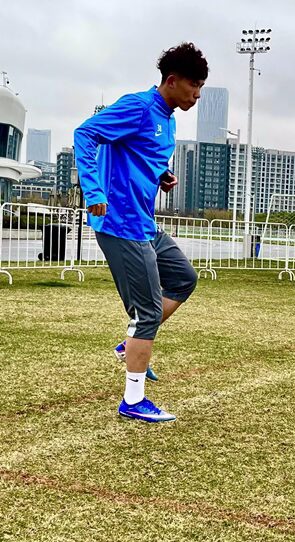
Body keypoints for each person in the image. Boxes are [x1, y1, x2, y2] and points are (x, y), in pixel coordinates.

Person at [74, 43, 208, 423]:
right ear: (172, 81)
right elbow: (85, 134)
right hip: (121, 224)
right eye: (194, 86)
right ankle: (133, 401)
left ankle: (129, 343)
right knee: (147, 312)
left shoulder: (169, 119)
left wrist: (161, 174)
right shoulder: (137, 107)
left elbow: (142, 154)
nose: (197, 95)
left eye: (201, 87)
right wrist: (94, 191)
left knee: (184, 279)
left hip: (144, 223)